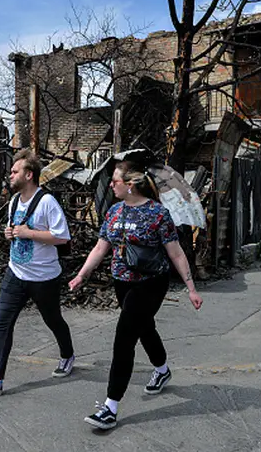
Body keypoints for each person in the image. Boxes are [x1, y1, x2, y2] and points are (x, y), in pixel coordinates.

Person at [68, 161, 203, 429]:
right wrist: (82, 275)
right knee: (144, 328)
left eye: (115, 181)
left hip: (151, 283)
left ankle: (110, 406)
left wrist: (191, 288)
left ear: (130, 185)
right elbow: (100, 247)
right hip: (123, 282)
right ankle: (162, 371)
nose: (110, 185)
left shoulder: (158, 214)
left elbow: (175, 252)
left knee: (124, 339)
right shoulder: (114, 212)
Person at [0, 149, 76, 396]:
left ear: (29, 175)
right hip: (15, 273)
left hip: (44, 278)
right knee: (3, 323)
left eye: (15, 171)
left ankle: (67, 355)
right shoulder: (14, 201)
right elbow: (14, 228)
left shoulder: (47, 202)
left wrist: (30, 234)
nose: (10, 175)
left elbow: (62, 237)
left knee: (53, 320)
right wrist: (10, 233)